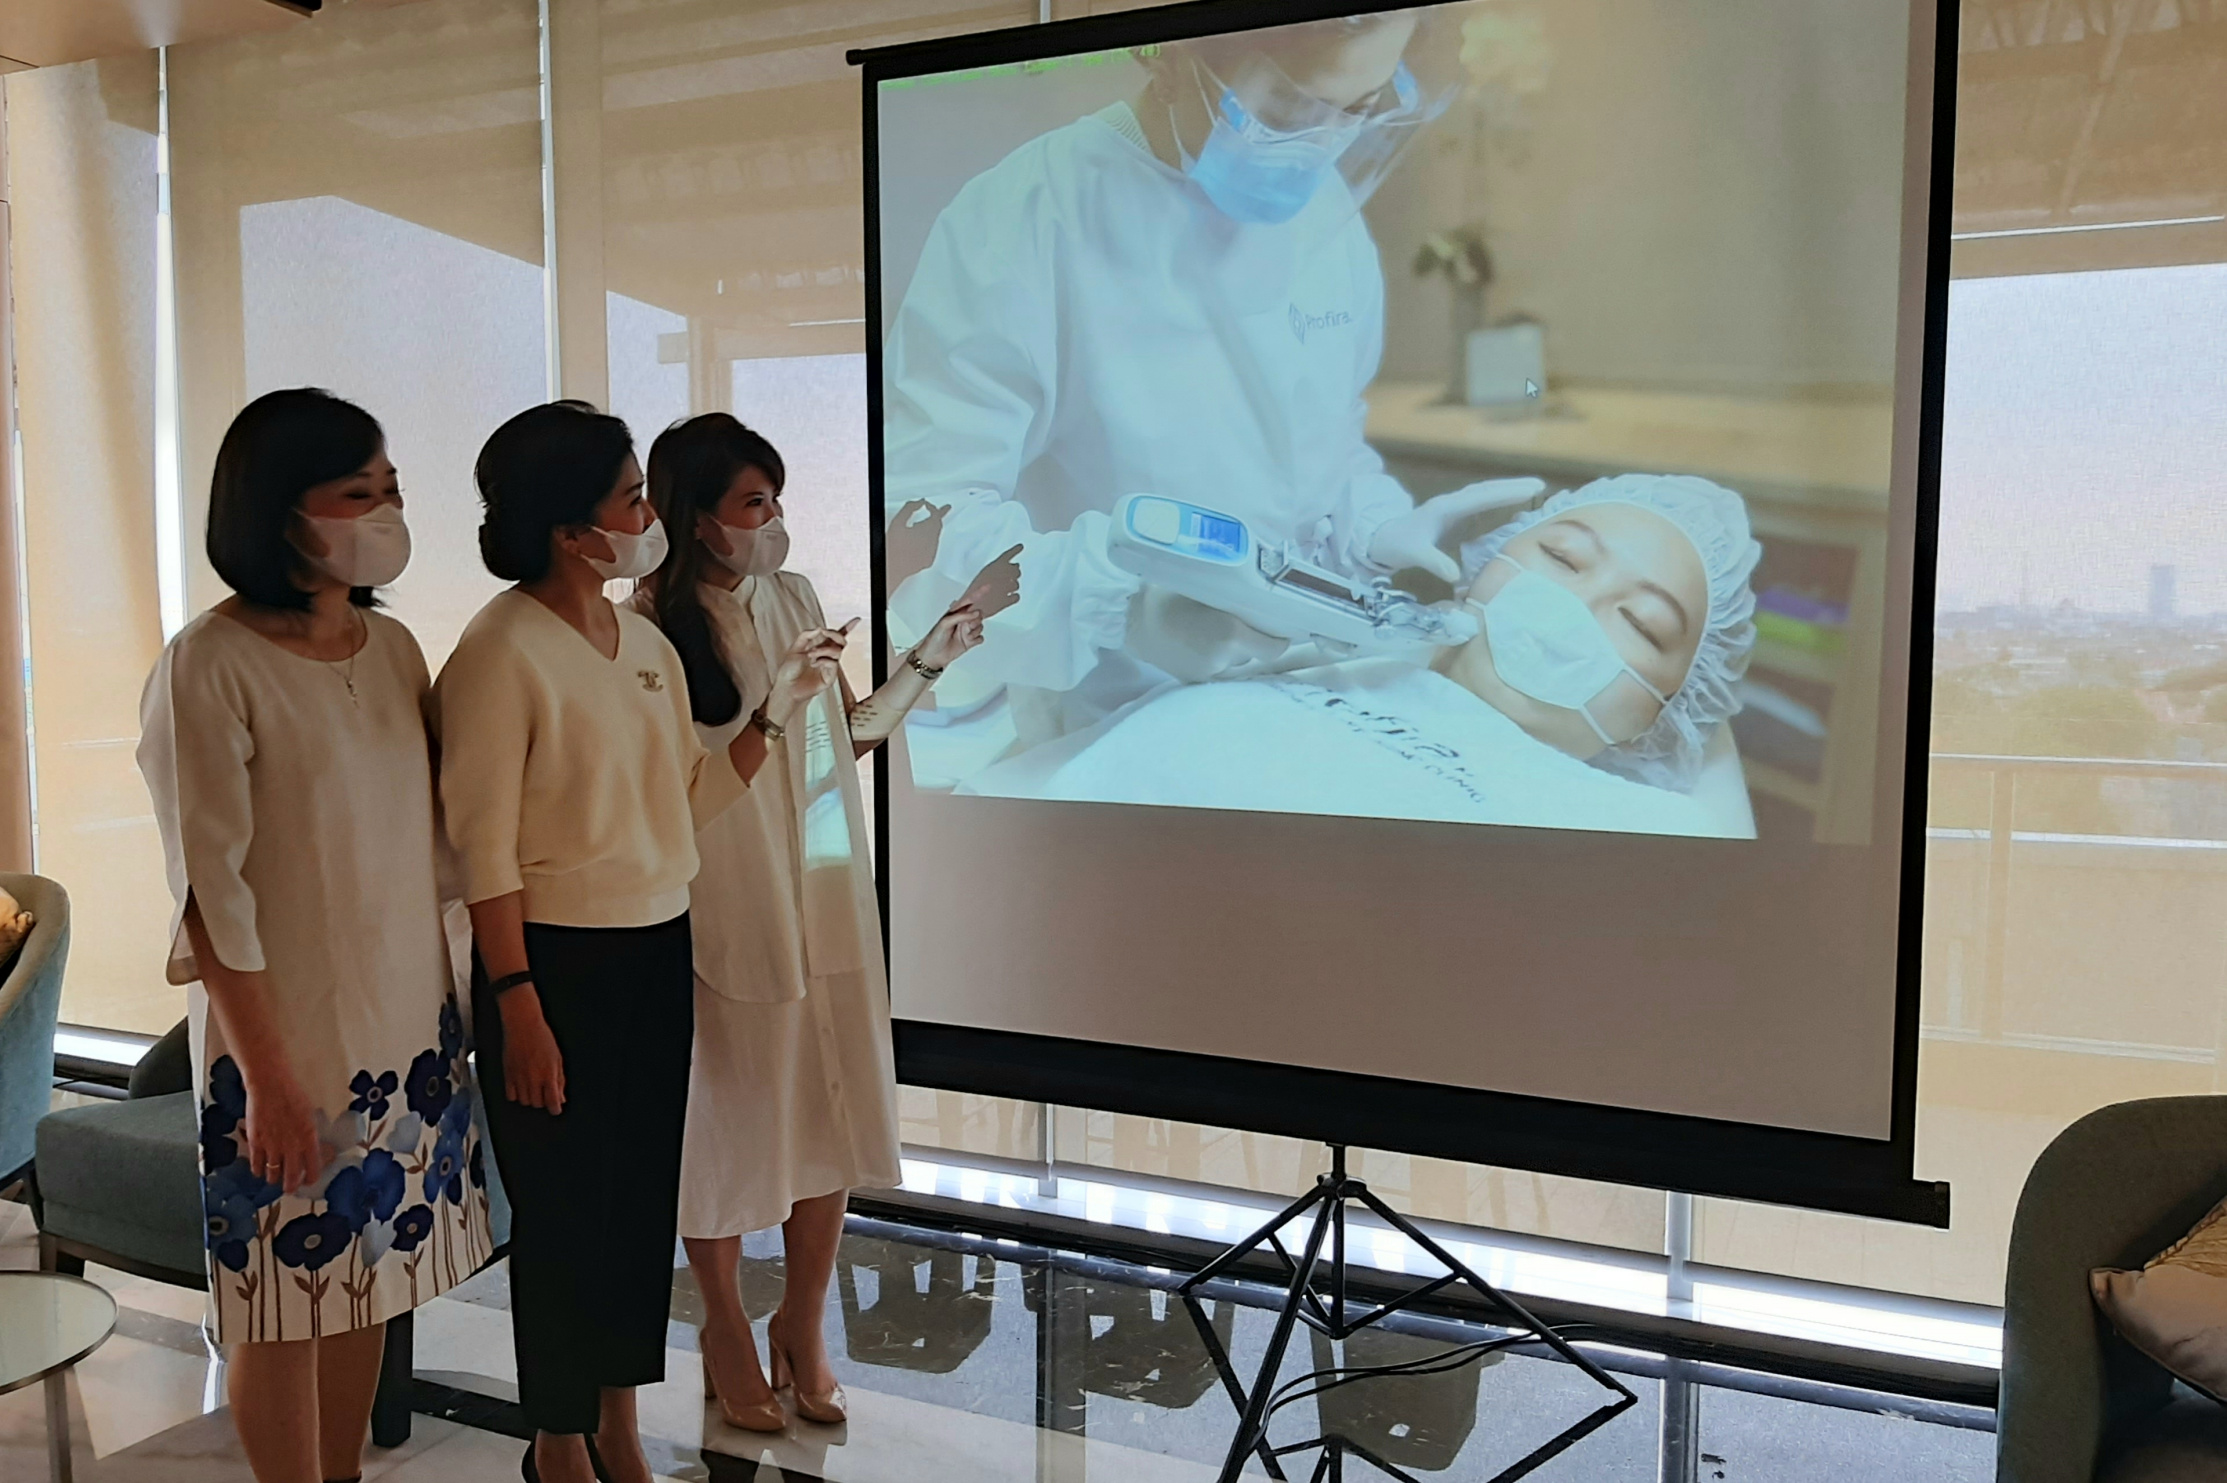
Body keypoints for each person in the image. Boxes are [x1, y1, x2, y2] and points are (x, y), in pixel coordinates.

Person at [883, 8, 1510, 771]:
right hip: (1101, 724)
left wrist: (1371, 528)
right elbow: (917, 528)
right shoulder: (1029, 215)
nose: (1325, 141)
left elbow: (1322, 451)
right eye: (1290, 110)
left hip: (1296, 706)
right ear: (1175, 55)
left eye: (1359, 109)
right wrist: (1122, 607)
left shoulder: (1328, 226)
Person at [433, 402, 844, 1483]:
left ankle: (618, 1422)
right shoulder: (497, 651)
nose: (648, 514)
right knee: (566, 1214)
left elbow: (696, 792)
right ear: (573, 530)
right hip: (551, 966)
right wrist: (516, 999)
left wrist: (772, 715)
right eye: (631, 497)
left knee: (631, 1207)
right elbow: (483, 852)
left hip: (653, 948)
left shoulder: (642, 642)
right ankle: (557, 1439)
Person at [136, 389, 491, 1483]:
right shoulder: (210, 663)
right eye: (358, 491)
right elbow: (210, 893)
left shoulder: (390, 647)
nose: (384, 511)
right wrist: (269, 1075)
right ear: (279, 511)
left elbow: (431, 844)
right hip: (282, 1037)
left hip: (404, 1023)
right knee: (277, 1301)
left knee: (366, 1276)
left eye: (391, 489)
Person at [628, 413, 999, 1432]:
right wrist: (772, 709)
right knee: (723, 1122)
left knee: (827, 1108)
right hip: (720, 899)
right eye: (755, 503)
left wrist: (930, 659)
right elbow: (672, 791)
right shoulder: (645, 630)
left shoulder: (790, 595)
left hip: (823, 890)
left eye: (777, 498)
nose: (775, 520)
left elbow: (854, 735)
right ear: (696, 518)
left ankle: (802, 1321)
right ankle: (723, 1325)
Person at [967, 475, 1763, 837]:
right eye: (1562, 556)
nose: (1573, 610)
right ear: (1486, 562)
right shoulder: (1311, 650)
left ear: (1663, 717)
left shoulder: (1641, 830)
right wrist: (1130, 615)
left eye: (1642, 622)